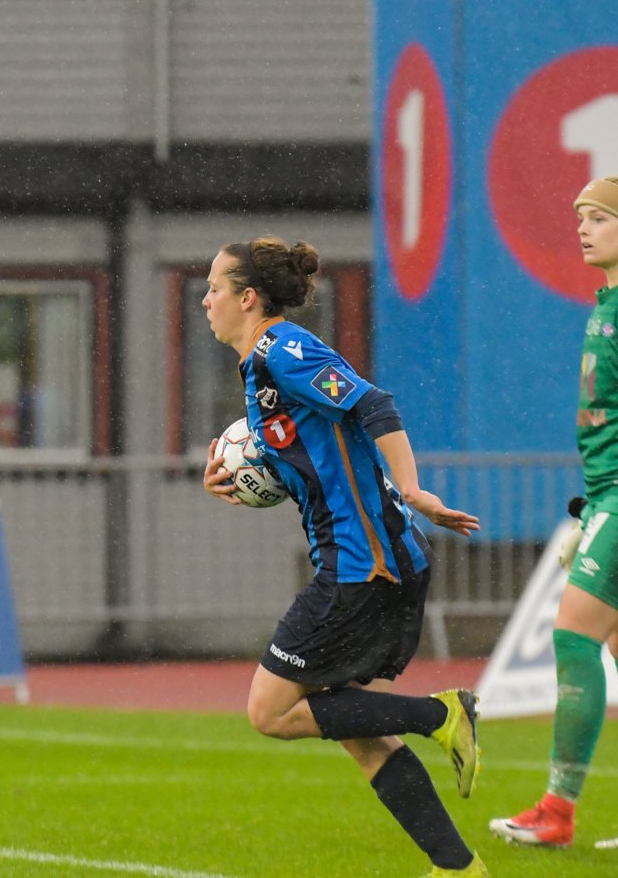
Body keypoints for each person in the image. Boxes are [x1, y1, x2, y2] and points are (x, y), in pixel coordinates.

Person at [200, 236, 488, 877]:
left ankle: (441, 713)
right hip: (369, 561)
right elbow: (312, 455)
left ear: (248, 298)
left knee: (269, 712)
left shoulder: (284, 350)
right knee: (359, 733)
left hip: (364, 565)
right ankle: (458, 868)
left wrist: (413, 489)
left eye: (214, 288)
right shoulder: (261, 368)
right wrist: (235, 475)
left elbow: (372, 404)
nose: (205, 300)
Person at [489, 176, 618, 852]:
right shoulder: (613, 300)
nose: (582, 228)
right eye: (580, 216)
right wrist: (590, 512)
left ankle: (558, 808)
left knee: (572, 637)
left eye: (598, 218)